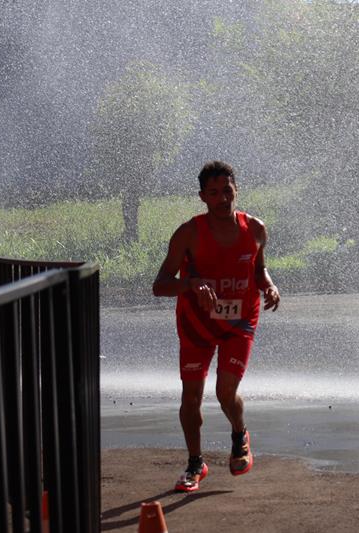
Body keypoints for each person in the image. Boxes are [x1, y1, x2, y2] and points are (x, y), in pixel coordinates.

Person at [152, 161, 280, 492]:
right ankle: (196, 463)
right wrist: (191, 284)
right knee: (191, 396)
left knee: (225, 392)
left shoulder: (255, 229)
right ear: (202, 197)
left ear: (236, 190)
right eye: (214, 193)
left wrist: (269, 285)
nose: (222, 199)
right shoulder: (188, 233)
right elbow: (160, 285)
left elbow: (259, 268)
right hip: (197, 325)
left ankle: (239, 434)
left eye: (227, 191)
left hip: (240, 321)